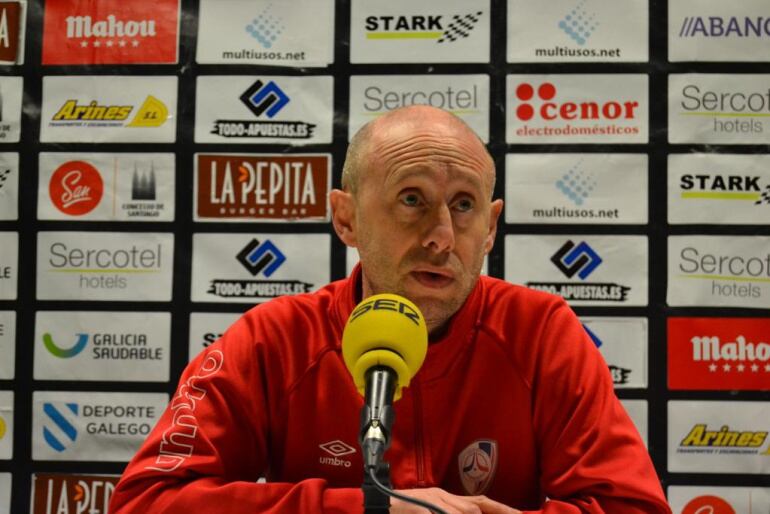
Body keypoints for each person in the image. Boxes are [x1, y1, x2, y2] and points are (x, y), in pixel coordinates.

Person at [109, 106, 672, 514]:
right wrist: (367, 510)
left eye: (465, 206)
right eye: (412, 200)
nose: (442, 237)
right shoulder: (275, 338)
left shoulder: (540, 332)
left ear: (491, 227)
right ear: (346, 218)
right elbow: (146, 502)